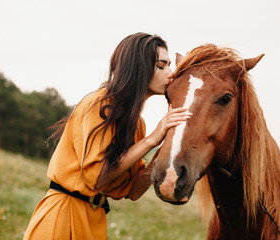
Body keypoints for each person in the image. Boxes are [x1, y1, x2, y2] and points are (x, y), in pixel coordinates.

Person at [23, 32, 190, 240]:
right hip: (62, 217)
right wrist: (151, 140)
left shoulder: (137, 123)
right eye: (161, 66)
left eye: (169, 65)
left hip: (95, 220)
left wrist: (166, 140)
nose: (171, 73)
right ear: (137, 66)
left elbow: (134, 190)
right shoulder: (101, 104)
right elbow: (97, 177)